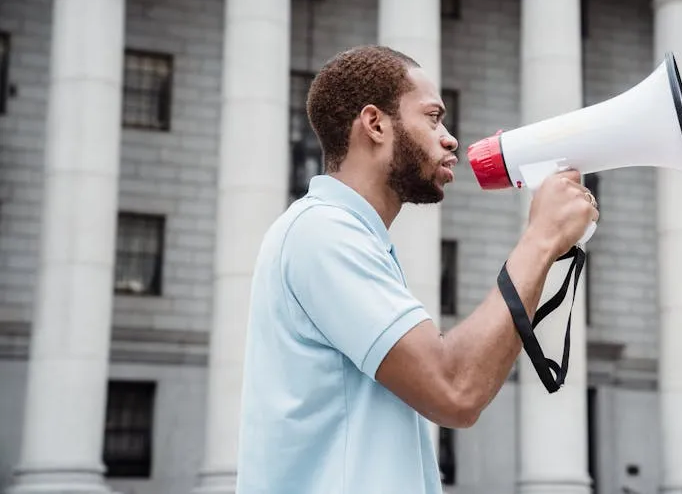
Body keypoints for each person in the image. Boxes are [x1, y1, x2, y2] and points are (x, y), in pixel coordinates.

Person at [235, 45, 599, 494]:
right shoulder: (323, 233)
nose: (449, 138)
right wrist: (542, 238)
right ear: (375, 124)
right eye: (432, 117)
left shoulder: (343, 235)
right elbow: (455, 390)